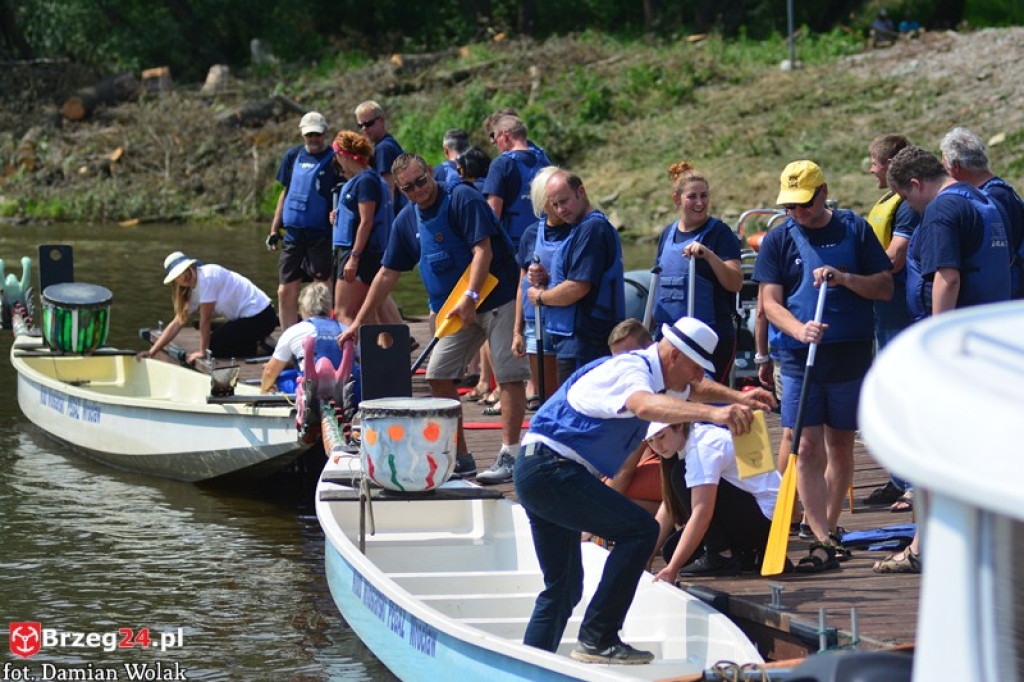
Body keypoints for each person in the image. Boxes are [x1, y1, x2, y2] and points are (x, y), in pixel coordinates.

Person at [514, 316, 776, 663]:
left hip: (537, 471)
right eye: (697, 367)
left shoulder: (659, 374)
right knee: (641, 531)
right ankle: (598, 638)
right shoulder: (633, 372)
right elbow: (644, 406)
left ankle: (528, 665)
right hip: (552, 470)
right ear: (674, 357)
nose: (699, 376)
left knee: (563, 588)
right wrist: (715, 415)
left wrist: (738, 397)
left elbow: (696, 390)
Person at [337, 153, 529, 485]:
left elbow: (483, 249)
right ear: (400, 190)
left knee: (509, 373)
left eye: (421, 181)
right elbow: (386, 273)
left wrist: (470, 296)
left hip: (496, 296)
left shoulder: (462, 198)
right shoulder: (407, 220)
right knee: (439, 374)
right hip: (454, 309)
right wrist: (358, 321)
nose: (418, 191)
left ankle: (510, 454)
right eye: (408, 188)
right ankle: (462, 458)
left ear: (430, 172)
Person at [753, 160, 893, 573]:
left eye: (803, 204)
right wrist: (798, 330)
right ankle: (818, 536)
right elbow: (769, 303)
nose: (796, 212)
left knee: (840, 445)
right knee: (805, 445)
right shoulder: (780, 239)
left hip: (848, 353)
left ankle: (831, 529)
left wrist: (845, 278)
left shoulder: (854, 229)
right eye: (790, 206)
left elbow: (884, 287)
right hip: (800, 358)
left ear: (823, 192)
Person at [879, 144, 1012, 573]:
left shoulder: (940, 210)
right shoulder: (985, 198)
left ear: (916, 184)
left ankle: (924, 547)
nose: (910, 207)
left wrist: (936, 346)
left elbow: (947, 278)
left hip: (957, 349)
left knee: (931, 446)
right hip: (987, 344)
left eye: (906, 198)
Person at [646, 419, 781, 580]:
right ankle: (744, 555)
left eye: (661, 437)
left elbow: (702, 514)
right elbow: (668, 506)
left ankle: (721, 555)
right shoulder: (687, 440)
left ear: (680, 425)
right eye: (650, 441)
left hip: (771, 522)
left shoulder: (702, 448)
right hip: (752, 514)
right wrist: (647, 557)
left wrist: (672, 569)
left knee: (679, 475)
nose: (658, 447)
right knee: (671, 550)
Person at [526, 170, 625, 383]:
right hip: (573, 340)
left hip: (586, 341)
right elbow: (574, 277)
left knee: (578, 408)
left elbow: (578, 287)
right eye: (555, 205)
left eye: (564, 201)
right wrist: (548, 278)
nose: (561, 210)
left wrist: (540, 297)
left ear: (581, 192)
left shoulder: (593, 228)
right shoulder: (578, 229)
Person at [651, 161, 743, 383]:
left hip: (710, 336)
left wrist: (709, 255)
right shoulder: (667, 234)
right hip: (672, 337)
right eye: (692, 196)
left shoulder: (720, 233)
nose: (700, 202)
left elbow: (735, 283)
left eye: (704, 195)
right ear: (677, 199)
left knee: (705, 400)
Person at [138, 252, 277, 364]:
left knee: (214, 348)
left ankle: (263, 348)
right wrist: (152, 351)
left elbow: (206, 319)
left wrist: (202, 351)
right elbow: (177, 323)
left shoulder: (207, 277)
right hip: (249, 319)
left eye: (184, 270)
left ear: (191, 266)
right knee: (216, 341)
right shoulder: (193, 290)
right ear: (175, 281)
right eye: (178, 275)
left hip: (262, 317)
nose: (184, 276)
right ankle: (259, 342)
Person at [268, 111, 338, 330]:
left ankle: (323, 333)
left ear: (325, 132)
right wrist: (273, 229)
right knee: (285, 289)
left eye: (317, 134)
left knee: (322, 289)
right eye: (309, 135)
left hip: (321, 236)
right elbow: (286, 193)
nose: (313, 139)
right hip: (293, 235)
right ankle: (289, 339)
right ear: (302, 134)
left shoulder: (334, 160)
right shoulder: (293, 156)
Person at [939, 126, 1024, 299]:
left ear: (955, 166)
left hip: (1007, 297)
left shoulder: (993, 197)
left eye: (944, 165)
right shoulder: (998, 192)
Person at [513, 165, 566, 410]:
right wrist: (517, 332)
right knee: (545, 395)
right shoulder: (531, 234)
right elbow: (522, 284)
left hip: (565, 323)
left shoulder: (580, 230)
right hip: (535, 323)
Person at [329, 130, 396, 326]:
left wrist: (354, 258)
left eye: (337, 155)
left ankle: (352, 357)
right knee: (370, 311)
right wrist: (338, 217)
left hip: (359, 253)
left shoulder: (366, 181)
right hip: (362, 251)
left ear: (344, 155)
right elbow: (358, 216)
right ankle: (383, 353)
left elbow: (367, 221)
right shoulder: (363, 179)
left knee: (344, 312)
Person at [261, 282, 347, 393]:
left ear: (303, 308)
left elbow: (269, 372)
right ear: (329, 308)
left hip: (312, 392)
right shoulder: (346, 329)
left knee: (281, 377)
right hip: (345, 390)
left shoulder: (294, 331)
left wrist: (263, 391)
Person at [483, 114, 545, 249]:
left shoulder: (501, 164)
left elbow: (493, 213)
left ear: (505, 135)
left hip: (516, 246)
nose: (496, 145)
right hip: (546, 242)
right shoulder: (542, 159)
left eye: (496, 139)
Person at [355, 100, 406, 211]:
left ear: (382, 120)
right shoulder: (390, 143)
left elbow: (388, 188)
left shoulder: (383, 148)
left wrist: (385, 217)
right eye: (360, 125)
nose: (364, 128)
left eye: (369, 124)